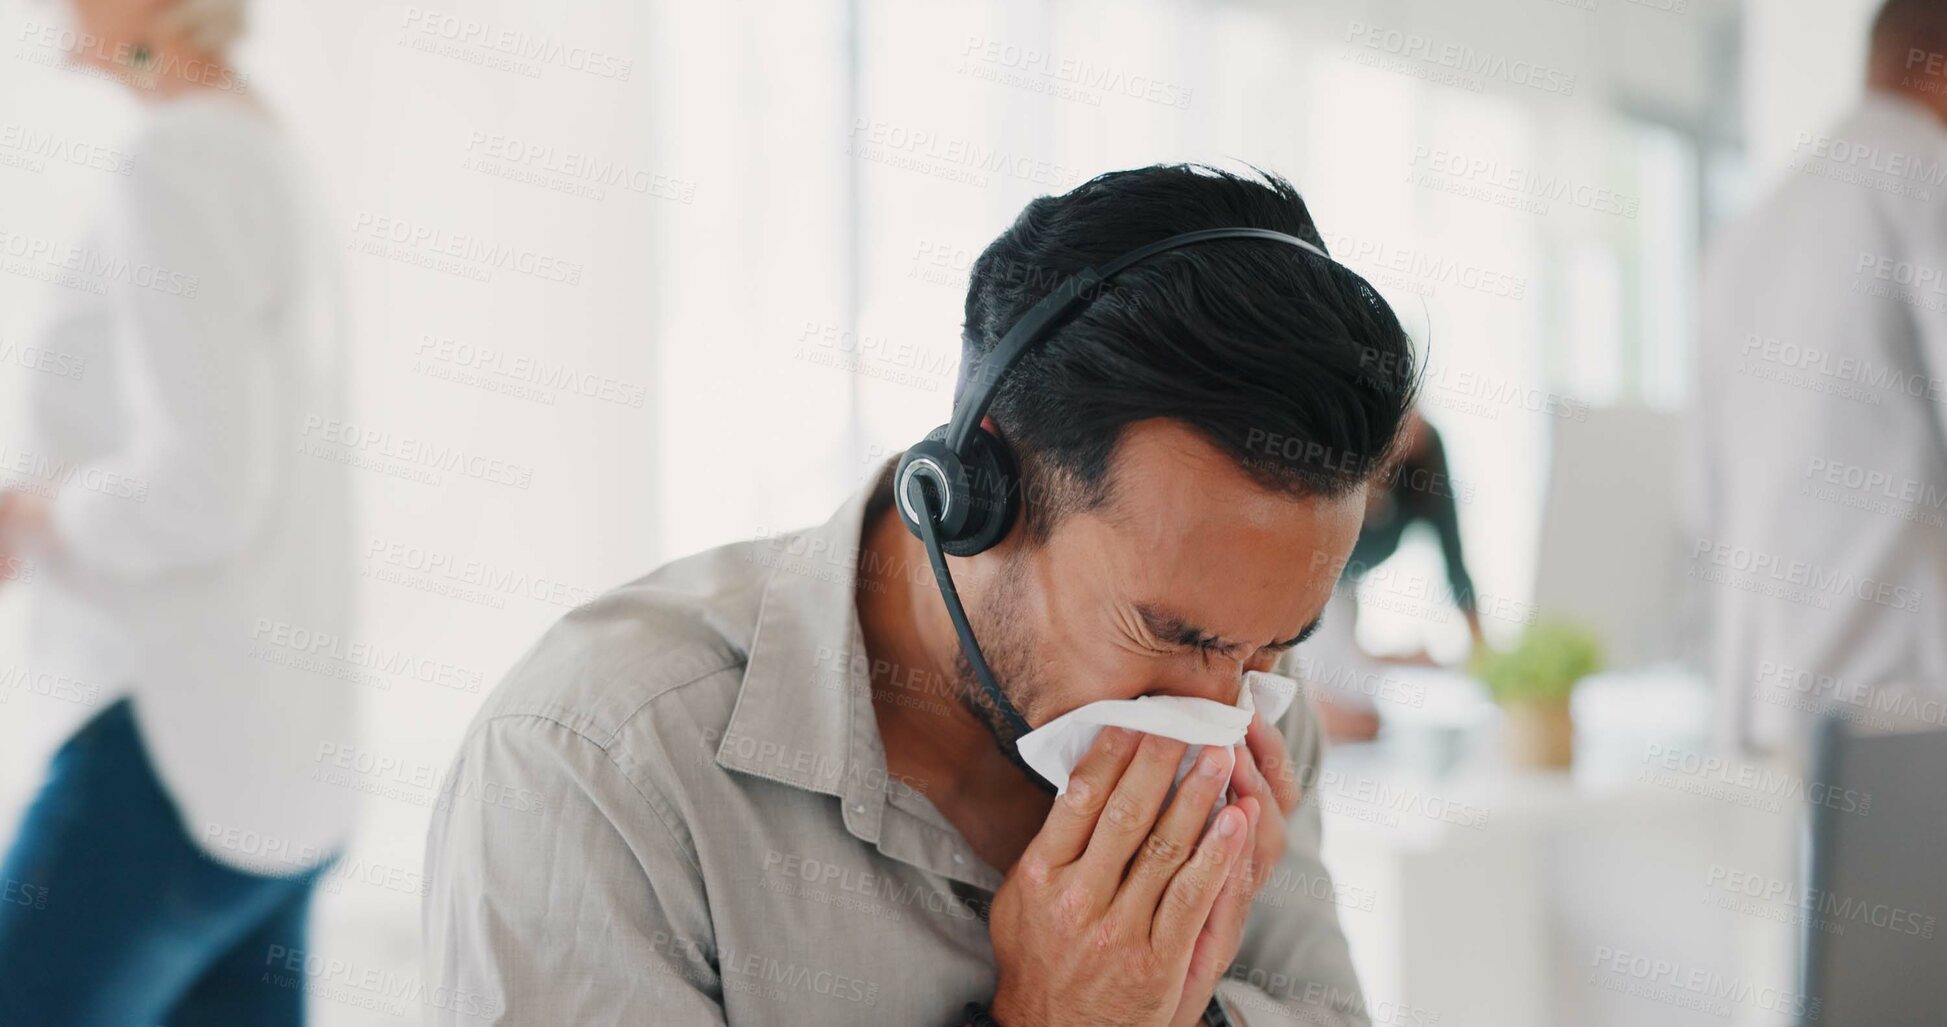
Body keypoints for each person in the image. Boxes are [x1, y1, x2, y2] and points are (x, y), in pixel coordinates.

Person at [422, 165, 1416, 1025]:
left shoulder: (1251, 718)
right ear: (973, 502)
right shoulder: (599, 766)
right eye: (1171, 634)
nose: (1215, 711)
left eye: (1269, 646)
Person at [0, 0, 354, 1022]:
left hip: (166, 757)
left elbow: (198, 493)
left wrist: (34, 513)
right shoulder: (255, 143)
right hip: (278, 771)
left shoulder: (177, 164)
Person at [1692, 0, 1947, 760]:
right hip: (1899, 687)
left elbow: (1701, 496)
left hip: (1758, 689)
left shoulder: (1749, 226)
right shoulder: (1925, 179)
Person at [1311, 410, 1481, 741]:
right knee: (1340, 723)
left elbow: (1455, 561)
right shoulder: (1340, 448)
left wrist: (1486, 664)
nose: (1413, 421)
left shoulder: (1427, 451)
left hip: (1343, 595)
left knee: (1367, 722)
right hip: (1306, 588)